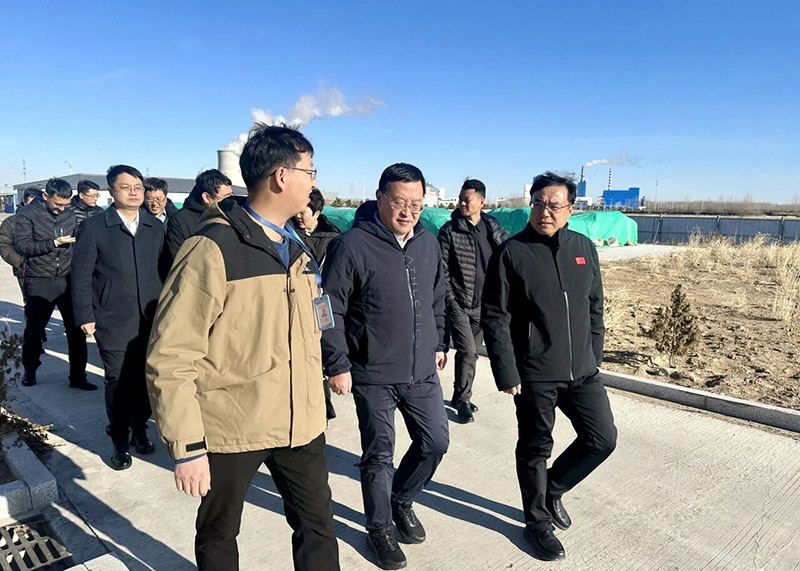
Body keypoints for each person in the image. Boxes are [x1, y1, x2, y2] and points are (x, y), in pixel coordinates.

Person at [146, 124, 339, 571]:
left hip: (300, 422)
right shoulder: (211, 248)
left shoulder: (297, 247)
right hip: (233, 425)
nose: (314, 182)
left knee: (317, 529)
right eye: (310, 171)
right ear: (281, 177)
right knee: (219, 533)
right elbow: (171, 354)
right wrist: (188, 446)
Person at [481, 171, 617, 561]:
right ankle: (536, 523)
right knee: (535, 447)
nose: (545, 211)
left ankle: (552, 488)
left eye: (554, 205)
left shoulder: (583, 247)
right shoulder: (512, 252)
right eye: (539, 203)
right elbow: (495, 316)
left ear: (570, 209)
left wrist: (593, 353)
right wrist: (507, 371)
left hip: (582, 371)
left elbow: (594, 305)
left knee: (602, 439)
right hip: (535, 373)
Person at [322, 163, 449, 571]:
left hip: (421, 370)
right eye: (399, 201)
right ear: (379, 198)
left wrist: (439, 342)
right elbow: (327, 308)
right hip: (372, 371)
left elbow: (438, 298)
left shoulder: (428, 243)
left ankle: (402, 499)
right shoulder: (352, 245)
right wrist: (337, 362)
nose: (408, 211)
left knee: (435, 442)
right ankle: (379, 529)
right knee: (379, 454)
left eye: (416, 203)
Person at [72, 165, 165, 471]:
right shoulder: (95, 227)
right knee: (118, 381)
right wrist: (85, 314)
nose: (134, 193)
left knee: (148, 381)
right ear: (111, 191)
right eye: (126, 187)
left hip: (151, 319)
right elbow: (81, 275)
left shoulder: (155, 226)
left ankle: (140, 428)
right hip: (112, 319)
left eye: (138, 187)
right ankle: (120, 440)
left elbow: (164, 271)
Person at [13, 178, 93, 390]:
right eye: (57, 204)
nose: (61, 209)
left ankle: (78, 376)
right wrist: (53, 243)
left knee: (76, 330)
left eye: (65, 205)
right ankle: (30, 369)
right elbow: (22, 245)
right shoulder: (28, 214)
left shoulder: (69, 214)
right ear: (46, 196)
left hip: (67, 279)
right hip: (40, 279)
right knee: (35, 330)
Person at [437, 178, 505, 423]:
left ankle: (458, 394)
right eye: (460, 199)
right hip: (460, 303)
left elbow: (503, 259)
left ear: (481, 201)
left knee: (471, 352)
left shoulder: (492, 227)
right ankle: (464, 401)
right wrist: (451, 300)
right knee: (468, 350)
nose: (462, 203)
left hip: (485, 304)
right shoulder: (449, 230)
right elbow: (441, 270)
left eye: (467, 199)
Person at [289, 187, 341, 423]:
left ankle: (323, 409)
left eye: (305, 212)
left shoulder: (334, 238)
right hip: (296, 301)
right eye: (298, 211)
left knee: (319, 356)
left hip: (322, 303)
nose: (299, 216)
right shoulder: (288, 232)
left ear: (317, 213)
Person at [161, 169, 232, 269]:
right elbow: (178, 259)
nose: (230, 202)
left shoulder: (231, 216)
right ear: (206, 197)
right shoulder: (180, 220)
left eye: (231, 196)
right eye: (225, 198)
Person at [0, 188, 43, 298]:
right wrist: (20, 262)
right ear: (24, 201)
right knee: (31, 301)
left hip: (50, 269)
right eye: (31, 202)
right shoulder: (11, 222)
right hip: (24, 270)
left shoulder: (49, 219)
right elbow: (4, 245)